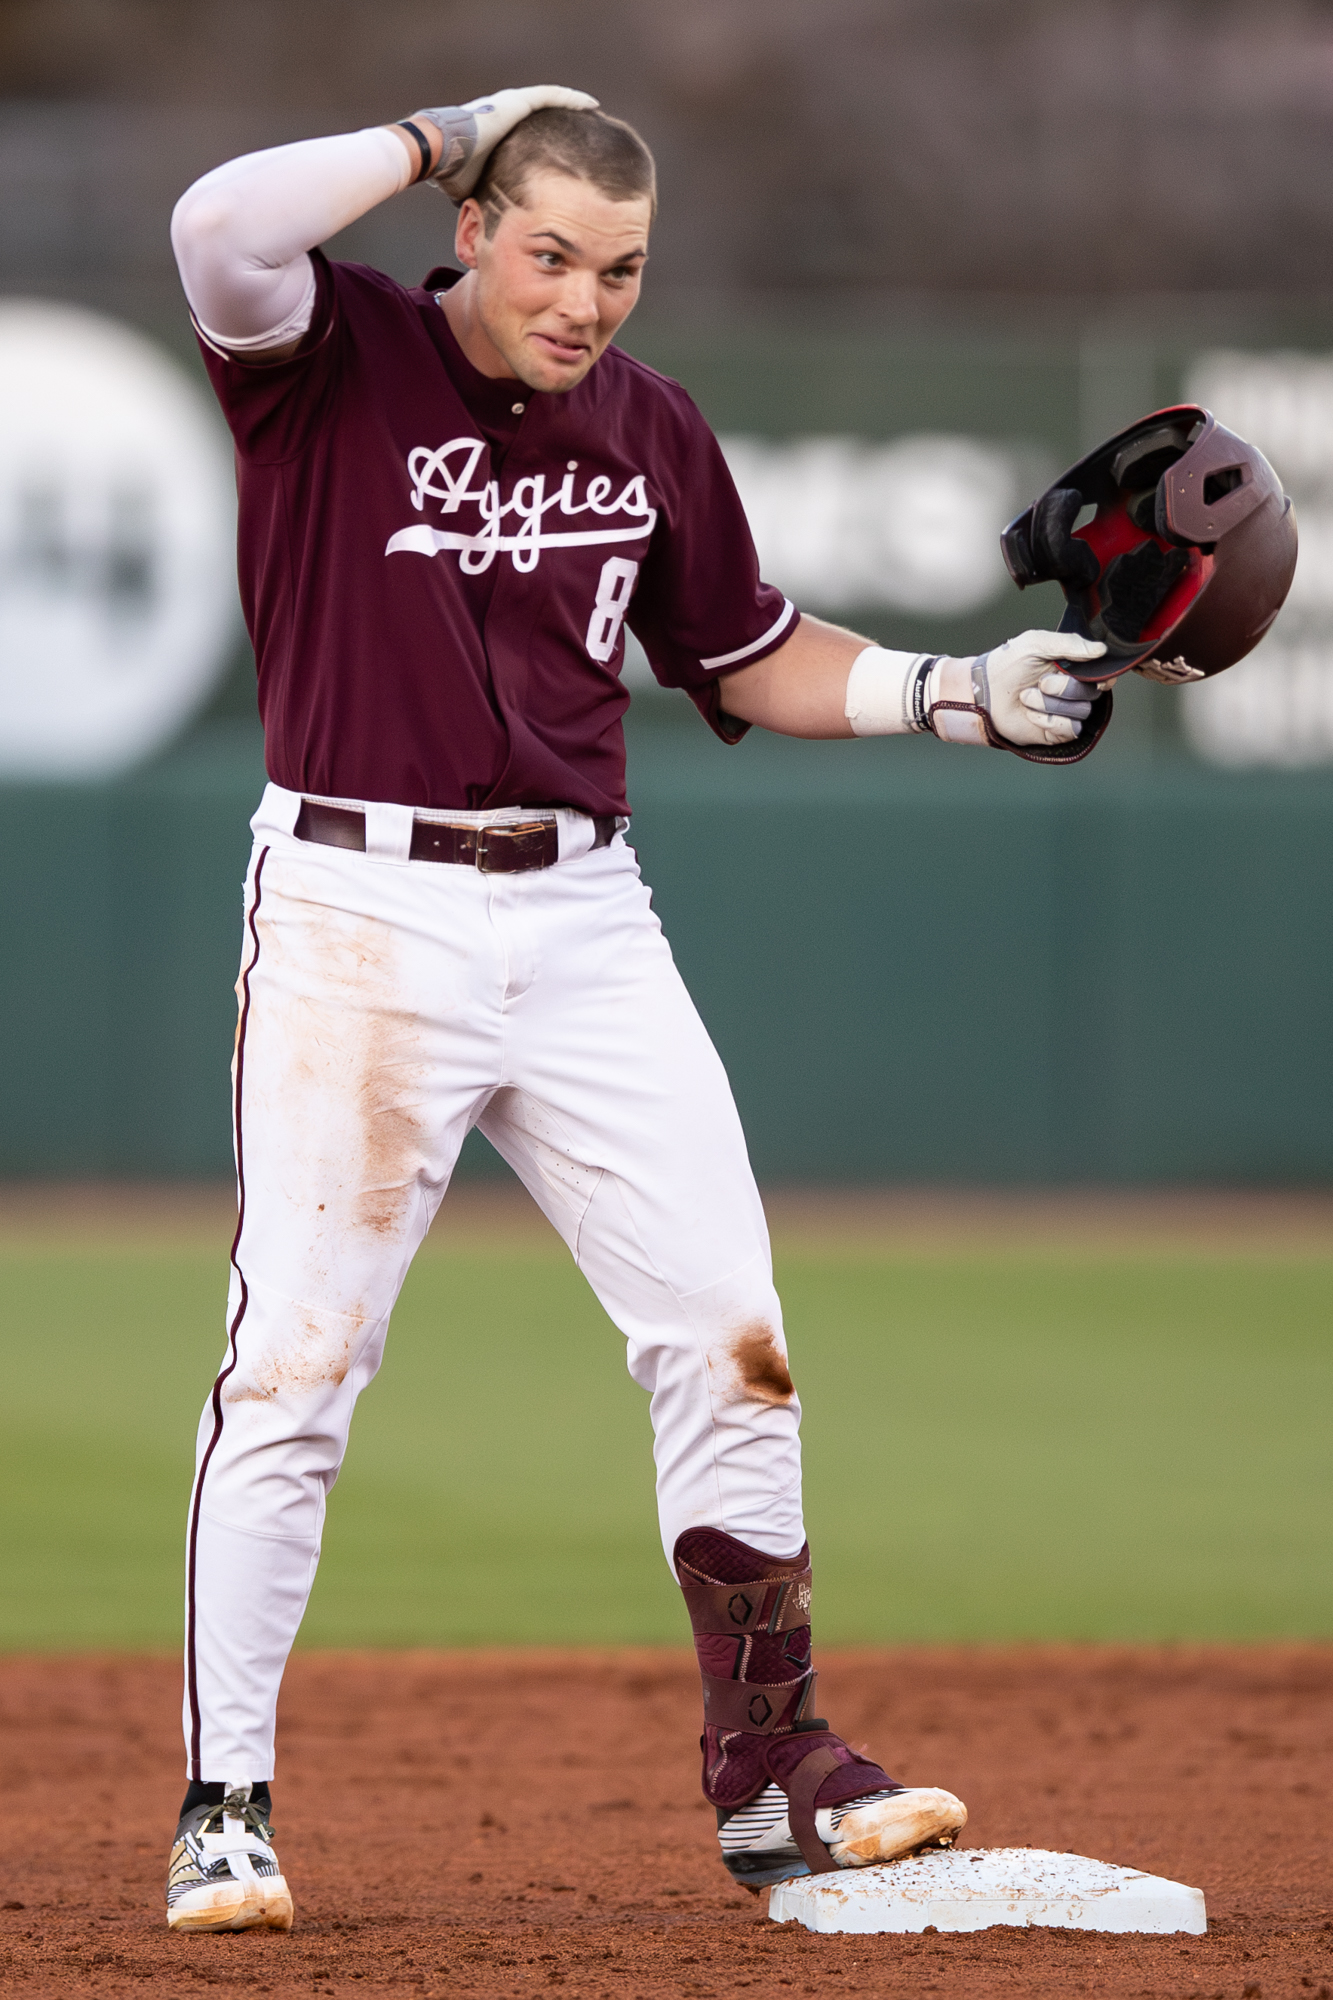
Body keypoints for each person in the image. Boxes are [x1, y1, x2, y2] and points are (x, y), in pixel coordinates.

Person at [165, 85, 1110, 1934]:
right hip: (364, 906)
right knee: (293, 1370)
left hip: (584, 913)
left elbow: (744, 653)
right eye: (550, 254)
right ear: (468, 230)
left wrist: (955, 691)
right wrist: (449, 124)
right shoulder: (327, 354)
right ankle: (226, 1800)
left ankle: (778, 1778)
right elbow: (218, 224)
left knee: (729, 1334)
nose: (586, 298)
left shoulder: (649, 424)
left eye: (620, 267)